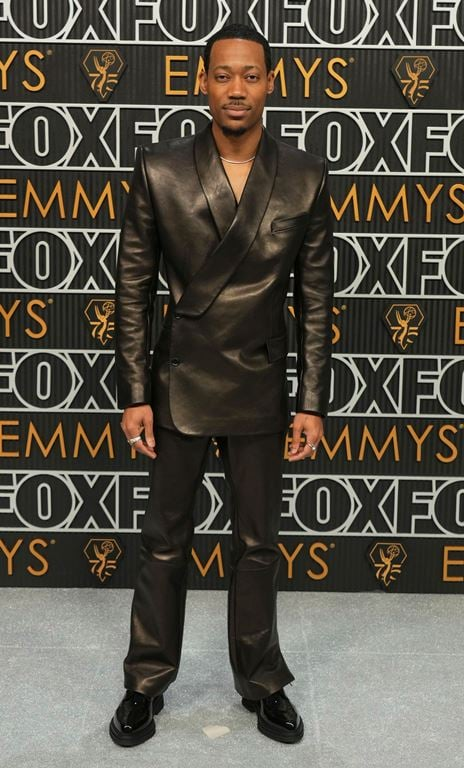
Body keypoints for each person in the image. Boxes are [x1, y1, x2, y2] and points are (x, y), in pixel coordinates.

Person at [109, 22, 334, 748]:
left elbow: (316, 299)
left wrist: (311, 402)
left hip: (261, 385)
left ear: (271, 83)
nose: (237, 89)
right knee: (164, 543)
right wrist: (135, 392)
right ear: (202, 82)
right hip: (178, 383)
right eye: (224, 75)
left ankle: (262, 682)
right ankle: (145, 682)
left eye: (251, 75)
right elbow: (134, 289)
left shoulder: (305, 175)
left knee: (258, 545)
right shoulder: (160, 169)